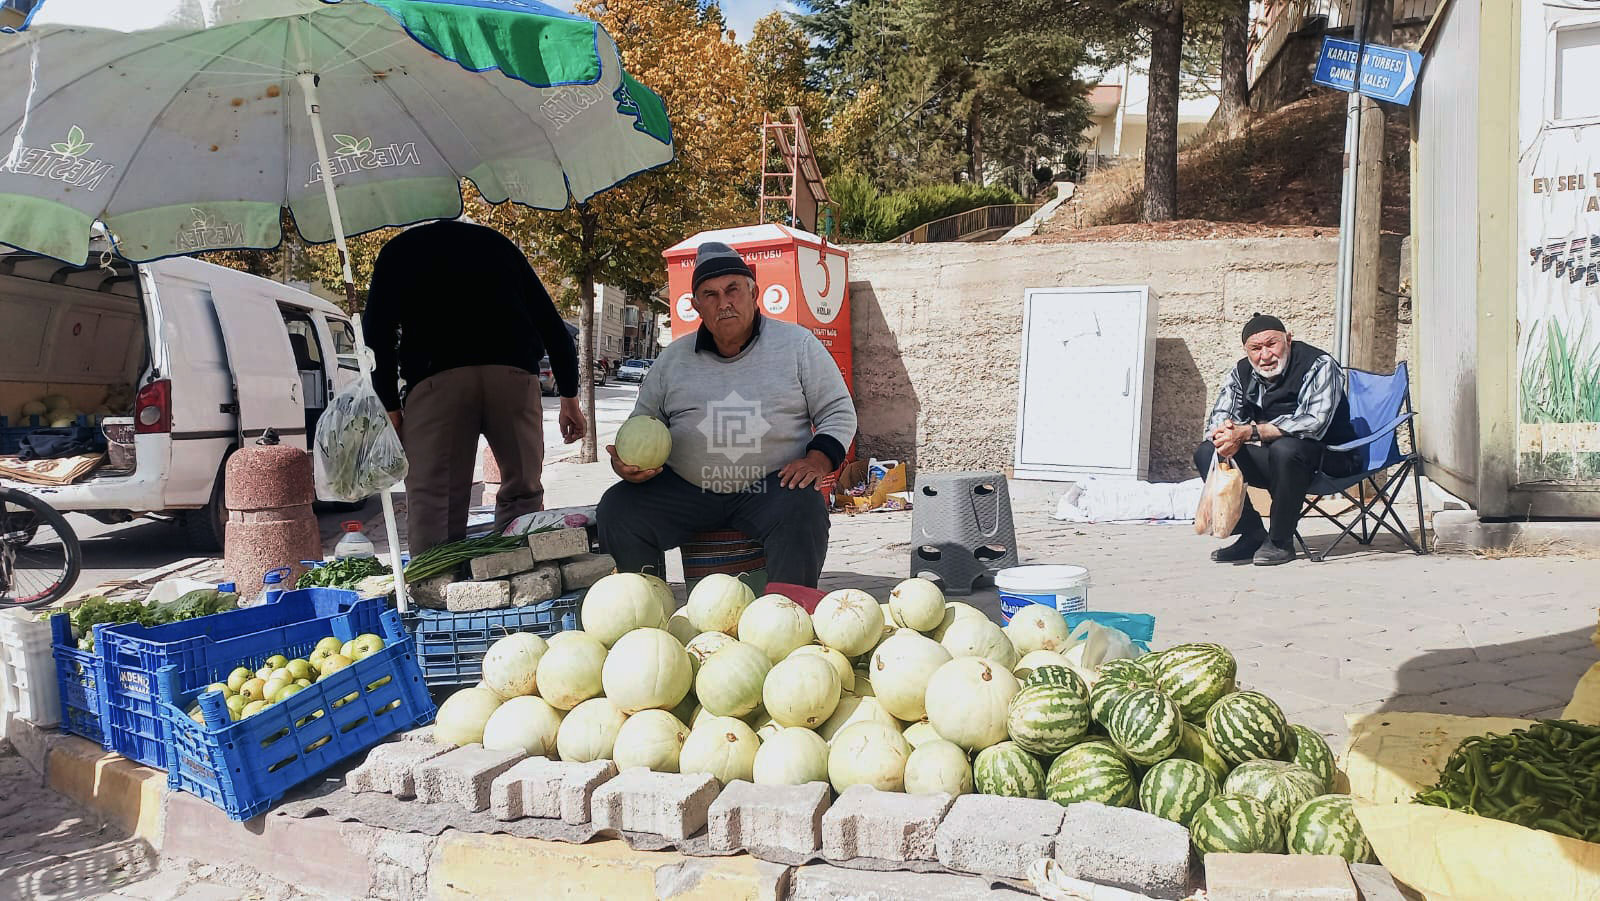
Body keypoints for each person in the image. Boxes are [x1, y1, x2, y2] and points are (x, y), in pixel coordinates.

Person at [597, 241, 857, 588]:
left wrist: (818, 460)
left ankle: (790, 615)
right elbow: (642, 423)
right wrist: (627, 466)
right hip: (687, 490)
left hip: (771, 486)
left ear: (754, 293)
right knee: (618, 508)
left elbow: (838, 412)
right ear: (696, 307)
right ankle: (645, 607)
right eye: (711, 295)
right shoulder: (673, 360)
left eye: (733, 289)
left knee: (804, 508)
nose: (724, 303)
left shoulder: (797, 345)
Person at [363, 220, 586, 554]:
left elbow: (376, 335)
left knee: (435, 499)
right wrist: (569, 397)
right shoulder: (497, 244)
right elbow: (553, 327)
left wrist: (390, 407)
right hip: (512, 377)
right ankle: (520, 576)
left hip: (436, 381)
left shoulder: (398, 250)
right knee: (522, 490)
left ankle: (435, 587)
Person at [1195, 313, 1357, 566]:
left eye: (1272, 344)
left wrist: (1249, 432)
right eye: (1256, 349)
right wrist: (1225, 434)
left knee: (1286, 449)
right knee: (1208, 451)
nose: (1265, 355)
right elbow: (1219, 416)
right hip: (1281, 463)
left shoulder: (1319, 364)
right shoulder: (1241, 372)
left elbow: (1313, 422)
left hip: (1332, 457)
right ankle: (1252, 534)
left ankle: (1281, 541)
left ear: (1288, 339)